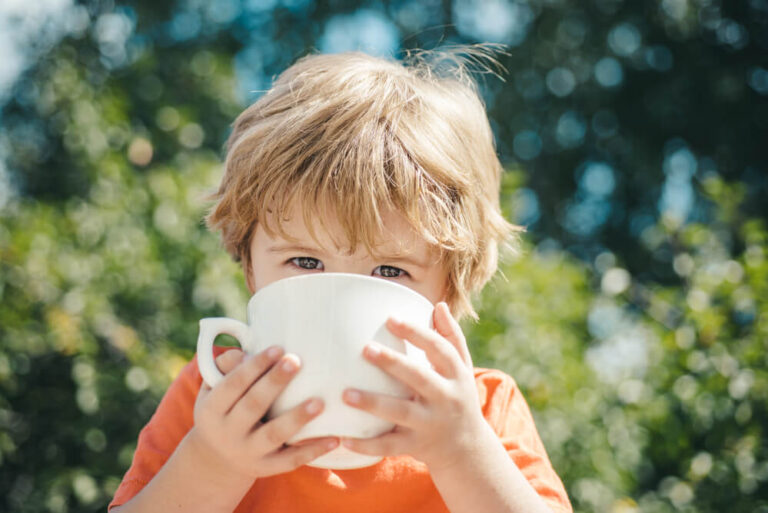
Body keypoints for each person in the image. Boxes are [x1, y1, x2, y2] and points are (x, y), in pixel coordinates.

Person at [109, 47, 572, 513]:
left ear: (447, 291)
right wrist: (213, 460)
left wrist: (462, 450)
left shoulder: (482, 411)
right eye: (305, 262)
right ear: (249, 264)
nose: (338, 293)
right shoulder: (214, 397)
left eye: (391, 271)